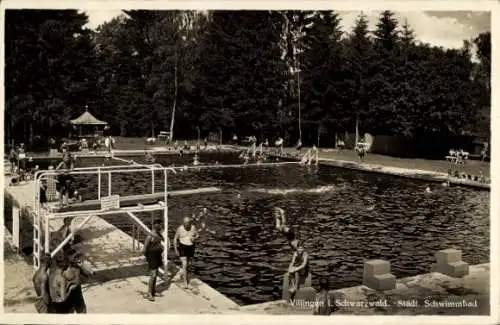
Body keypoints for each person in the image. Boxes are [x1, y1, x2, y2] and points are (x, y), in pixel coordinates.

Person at [141, 219, 165, 301]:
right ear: (155, 225)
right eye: (160, 224)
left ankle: (154, 291)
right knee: (153, 275)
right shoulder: (150, 236)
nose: (161, 226)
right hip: (152, 257)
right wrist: (148, 258)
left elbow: (162, 242)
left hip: (157, 256)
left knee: (156, 274)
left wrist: (160, 248)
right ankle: (149, 293)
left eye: (161, 224)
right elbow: (144, 249)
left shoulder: (159, 234)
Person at [174, 216, 198, 289]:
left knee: (189, 265)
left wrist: (194, 238)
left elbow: (197, 235)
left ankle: (184, 276)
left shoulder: (193, 227)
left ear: (190, 223)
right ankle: (185, 283)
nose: (187, 224)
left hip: (191, 246)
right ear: (183, 223)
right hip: (183, 246)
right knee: (184, 265)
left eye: (188, 223)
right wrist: (176, 250)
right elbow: (175, 239)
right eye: (185, 223)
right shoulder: (180, 229)